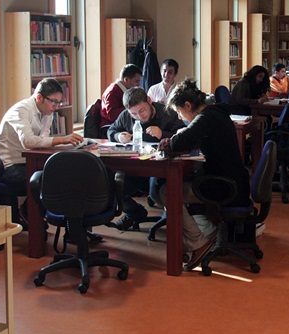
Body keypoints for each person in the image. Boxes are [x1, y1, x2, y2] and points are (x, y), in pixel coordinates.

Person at [158, 78, 251, 271]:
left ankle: (197, 241)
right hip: (236, 181)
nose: (180, 117)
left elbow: (178, 142)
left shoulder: (206, 118)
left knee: (168, 191)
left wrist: (170, 140)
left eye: (179, 112)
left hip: (224, 186)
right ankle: (204, 232)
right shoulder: (216, 112)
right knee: (184, 182)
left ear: (188, 105)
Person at [0, 78, 84, 227]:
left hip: (31, 161)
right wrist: (62, 140)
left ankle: (74, 227)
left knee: (68, 175)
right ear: (39, 97)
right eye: (53, 102)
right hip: (11, 166)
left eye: (59, 102)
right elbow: (28, 141)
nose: (56, 107)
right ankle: (29, 213)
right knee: (49, 182)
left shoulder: (47, 112)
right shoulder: (21, 111)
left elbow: (43, 140)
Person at [107, 87, 185, 230]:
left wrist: (163, 134)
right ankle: (135, 213)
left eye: (142, 111)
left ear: (149, 101)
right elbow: (111, 130)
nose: (139, 116)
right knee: (114, 188)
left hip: (161, 167)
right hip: (135, 166)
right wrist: (118, 136)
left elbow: (183, 136)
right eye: (134, 114)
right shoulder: (126, 116)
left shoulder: (168, 113)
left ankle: (173, 218)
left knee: (156, 192)